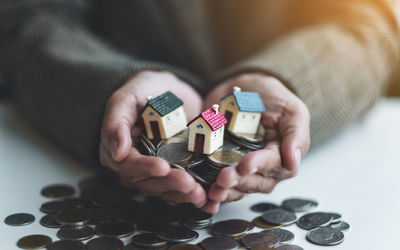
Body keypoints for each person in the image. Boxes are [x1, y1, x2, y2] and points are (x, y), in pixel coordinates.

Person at [0, 0, 398, 213]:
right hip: (100, 99)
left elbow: (369, 22)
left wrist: (286, 80)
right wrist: (112, 86)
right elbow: (26, 20)